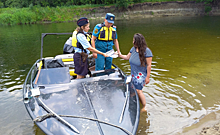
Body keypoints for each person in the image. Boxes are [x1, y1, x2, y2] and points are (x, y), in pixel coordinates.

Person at [119, 33, 153, 112]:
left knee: (138, 90)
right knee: (132, 87)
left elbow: (149, 65)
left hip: (141, 75)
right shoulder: (133, 49)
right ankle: (135, 98)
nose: (133, 42)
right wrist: (119, 55)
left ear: (138, 41)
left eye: (134, 40)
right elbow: (127, 57)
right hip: (133, 73)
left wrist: (147, 77)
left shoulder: (147, 51)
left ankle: (145, 106)